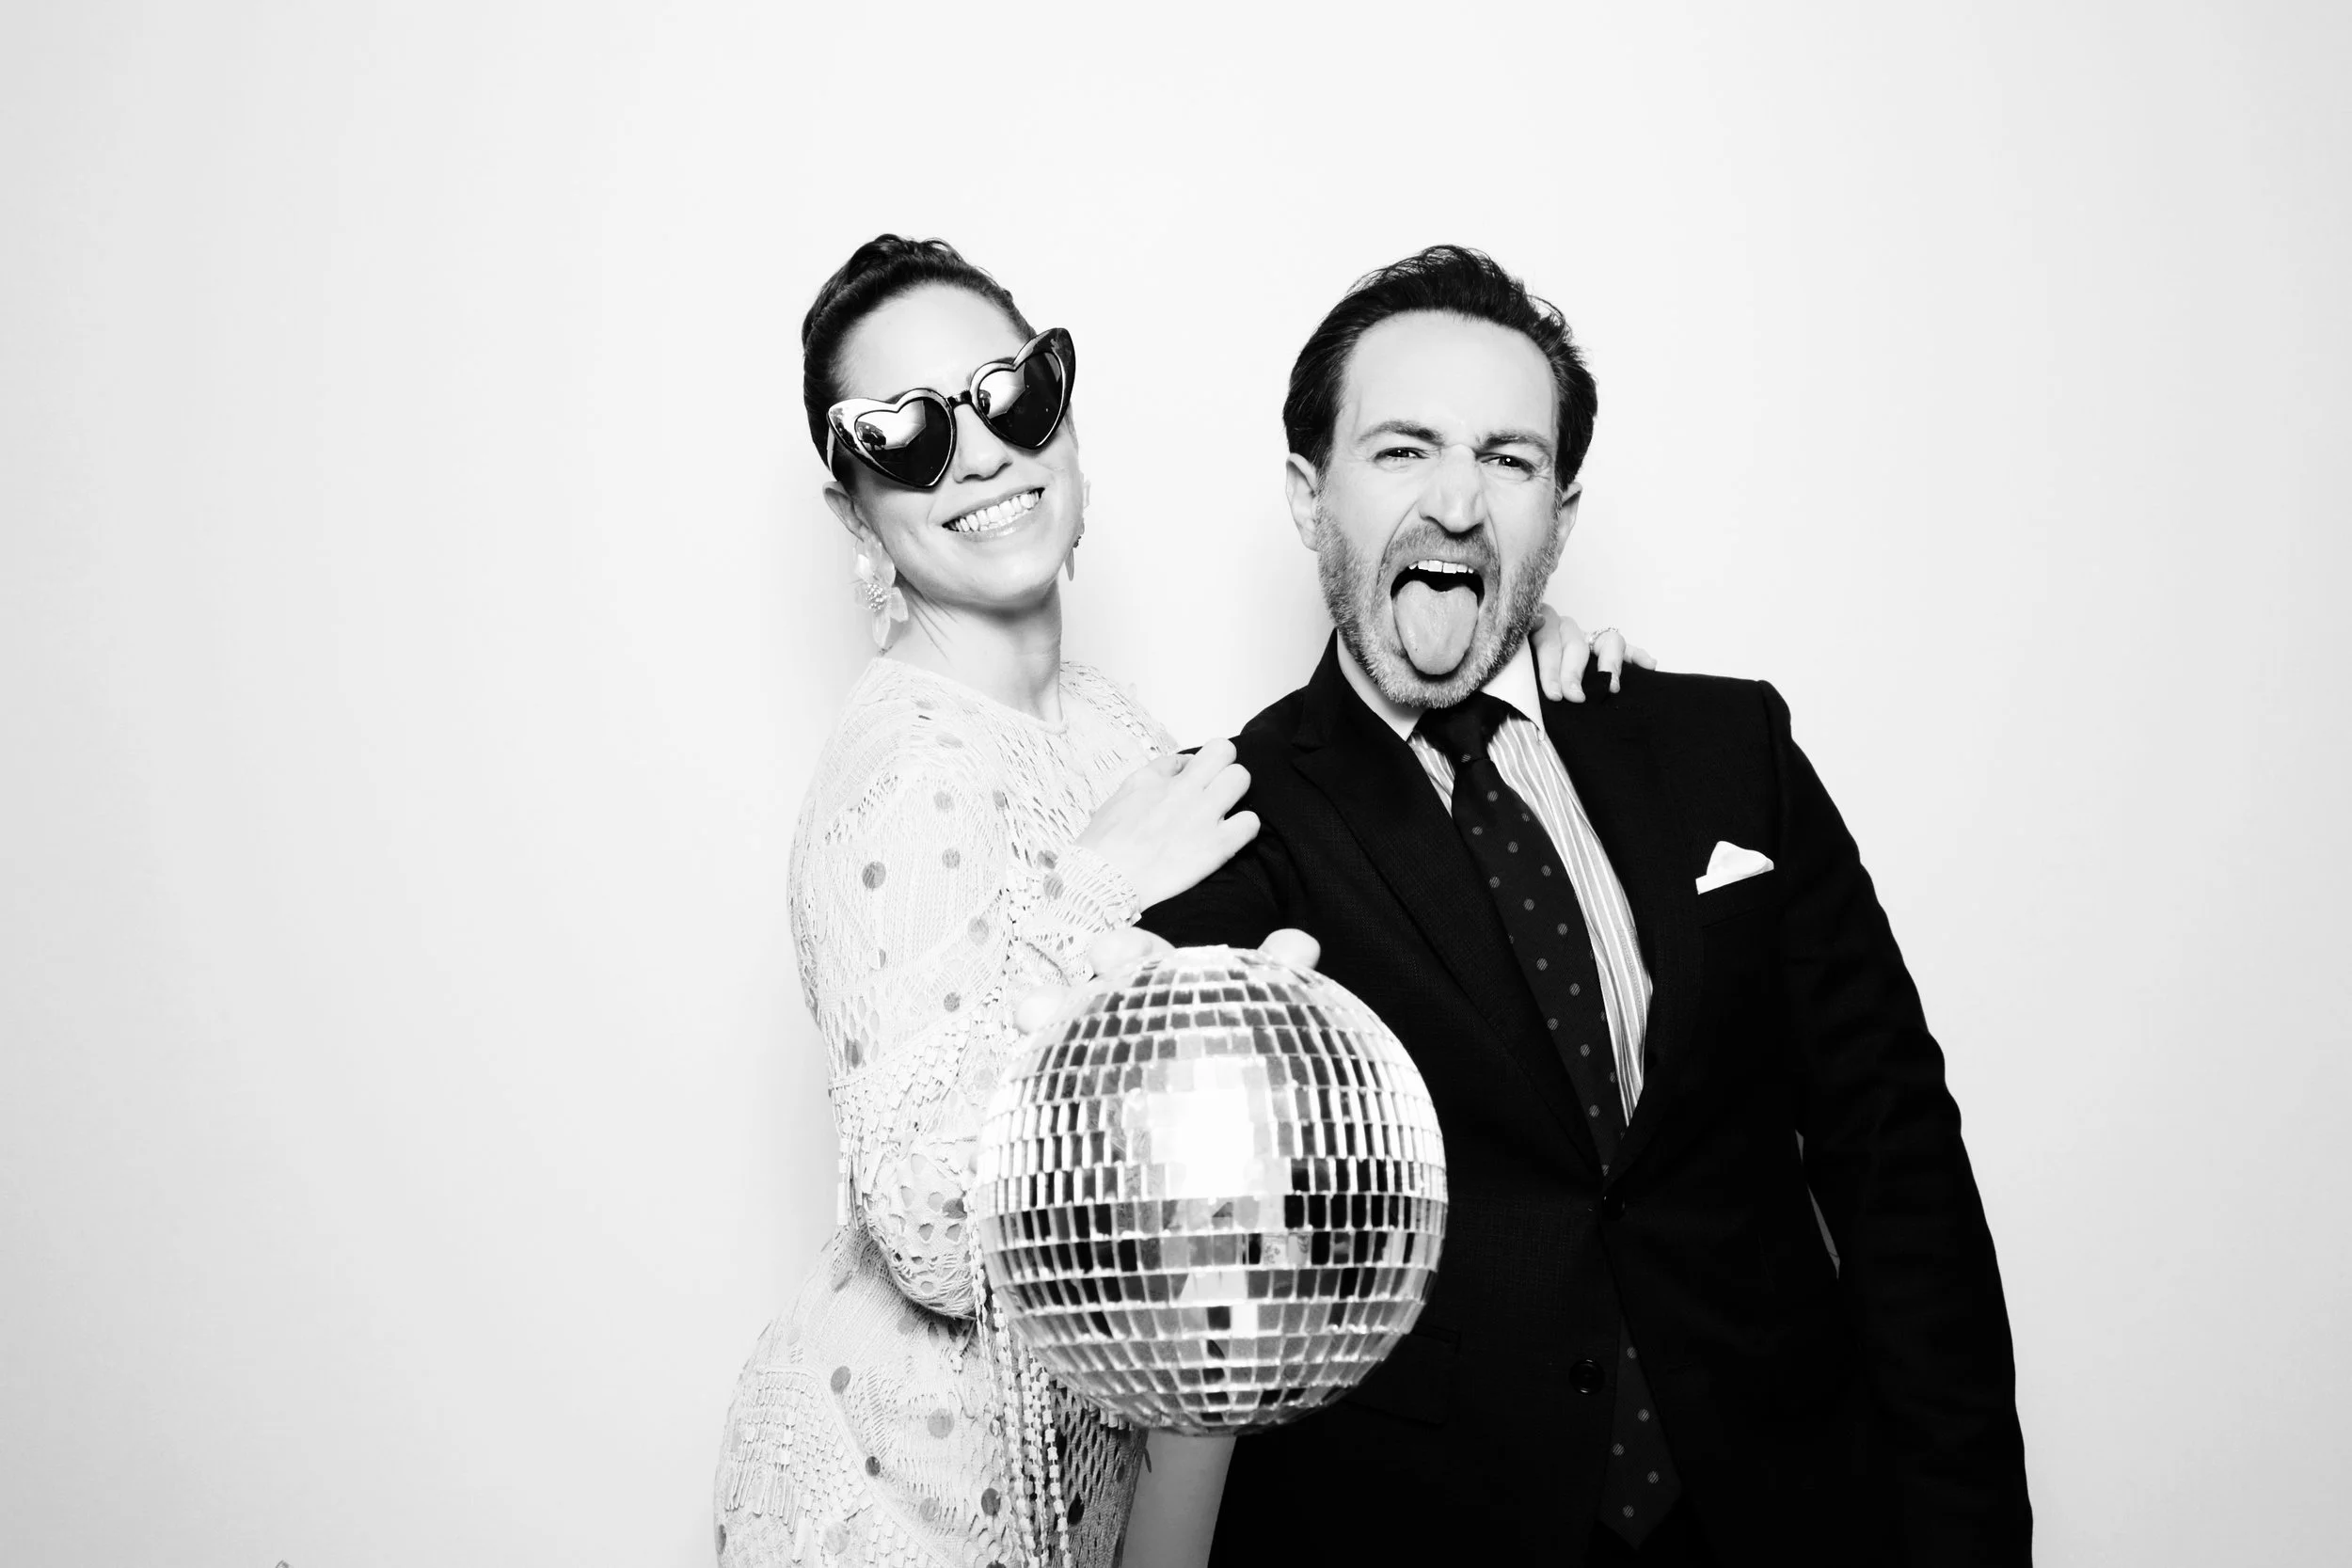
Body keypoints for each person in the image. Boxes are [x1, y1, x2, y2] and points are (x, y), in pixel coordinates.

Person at [711, 236, 1642, 1568]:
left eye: (1012, 396)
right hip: (903, 1512)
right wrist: (1094, 897)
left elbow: (1320, 837)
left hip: (1094, 1494)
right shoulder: (899, 775)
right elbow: (920, 1225)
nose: (977, 454)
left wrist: (1512, 655)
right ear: (854, 510)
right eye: (906, 434)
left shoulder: (1105, 725)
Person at [1141, 246, 2032, 1566]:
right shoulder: (1231, 822)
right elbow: (1183, 1256)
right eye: (1403, 451)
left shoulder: (1728, 746)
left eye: (1508, 459)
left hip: (1791, 1512)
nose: (1456, 500)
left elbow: (1895, 1157)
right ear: (1306, 492)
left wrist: (1966, 1531)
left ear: (1557, 513)